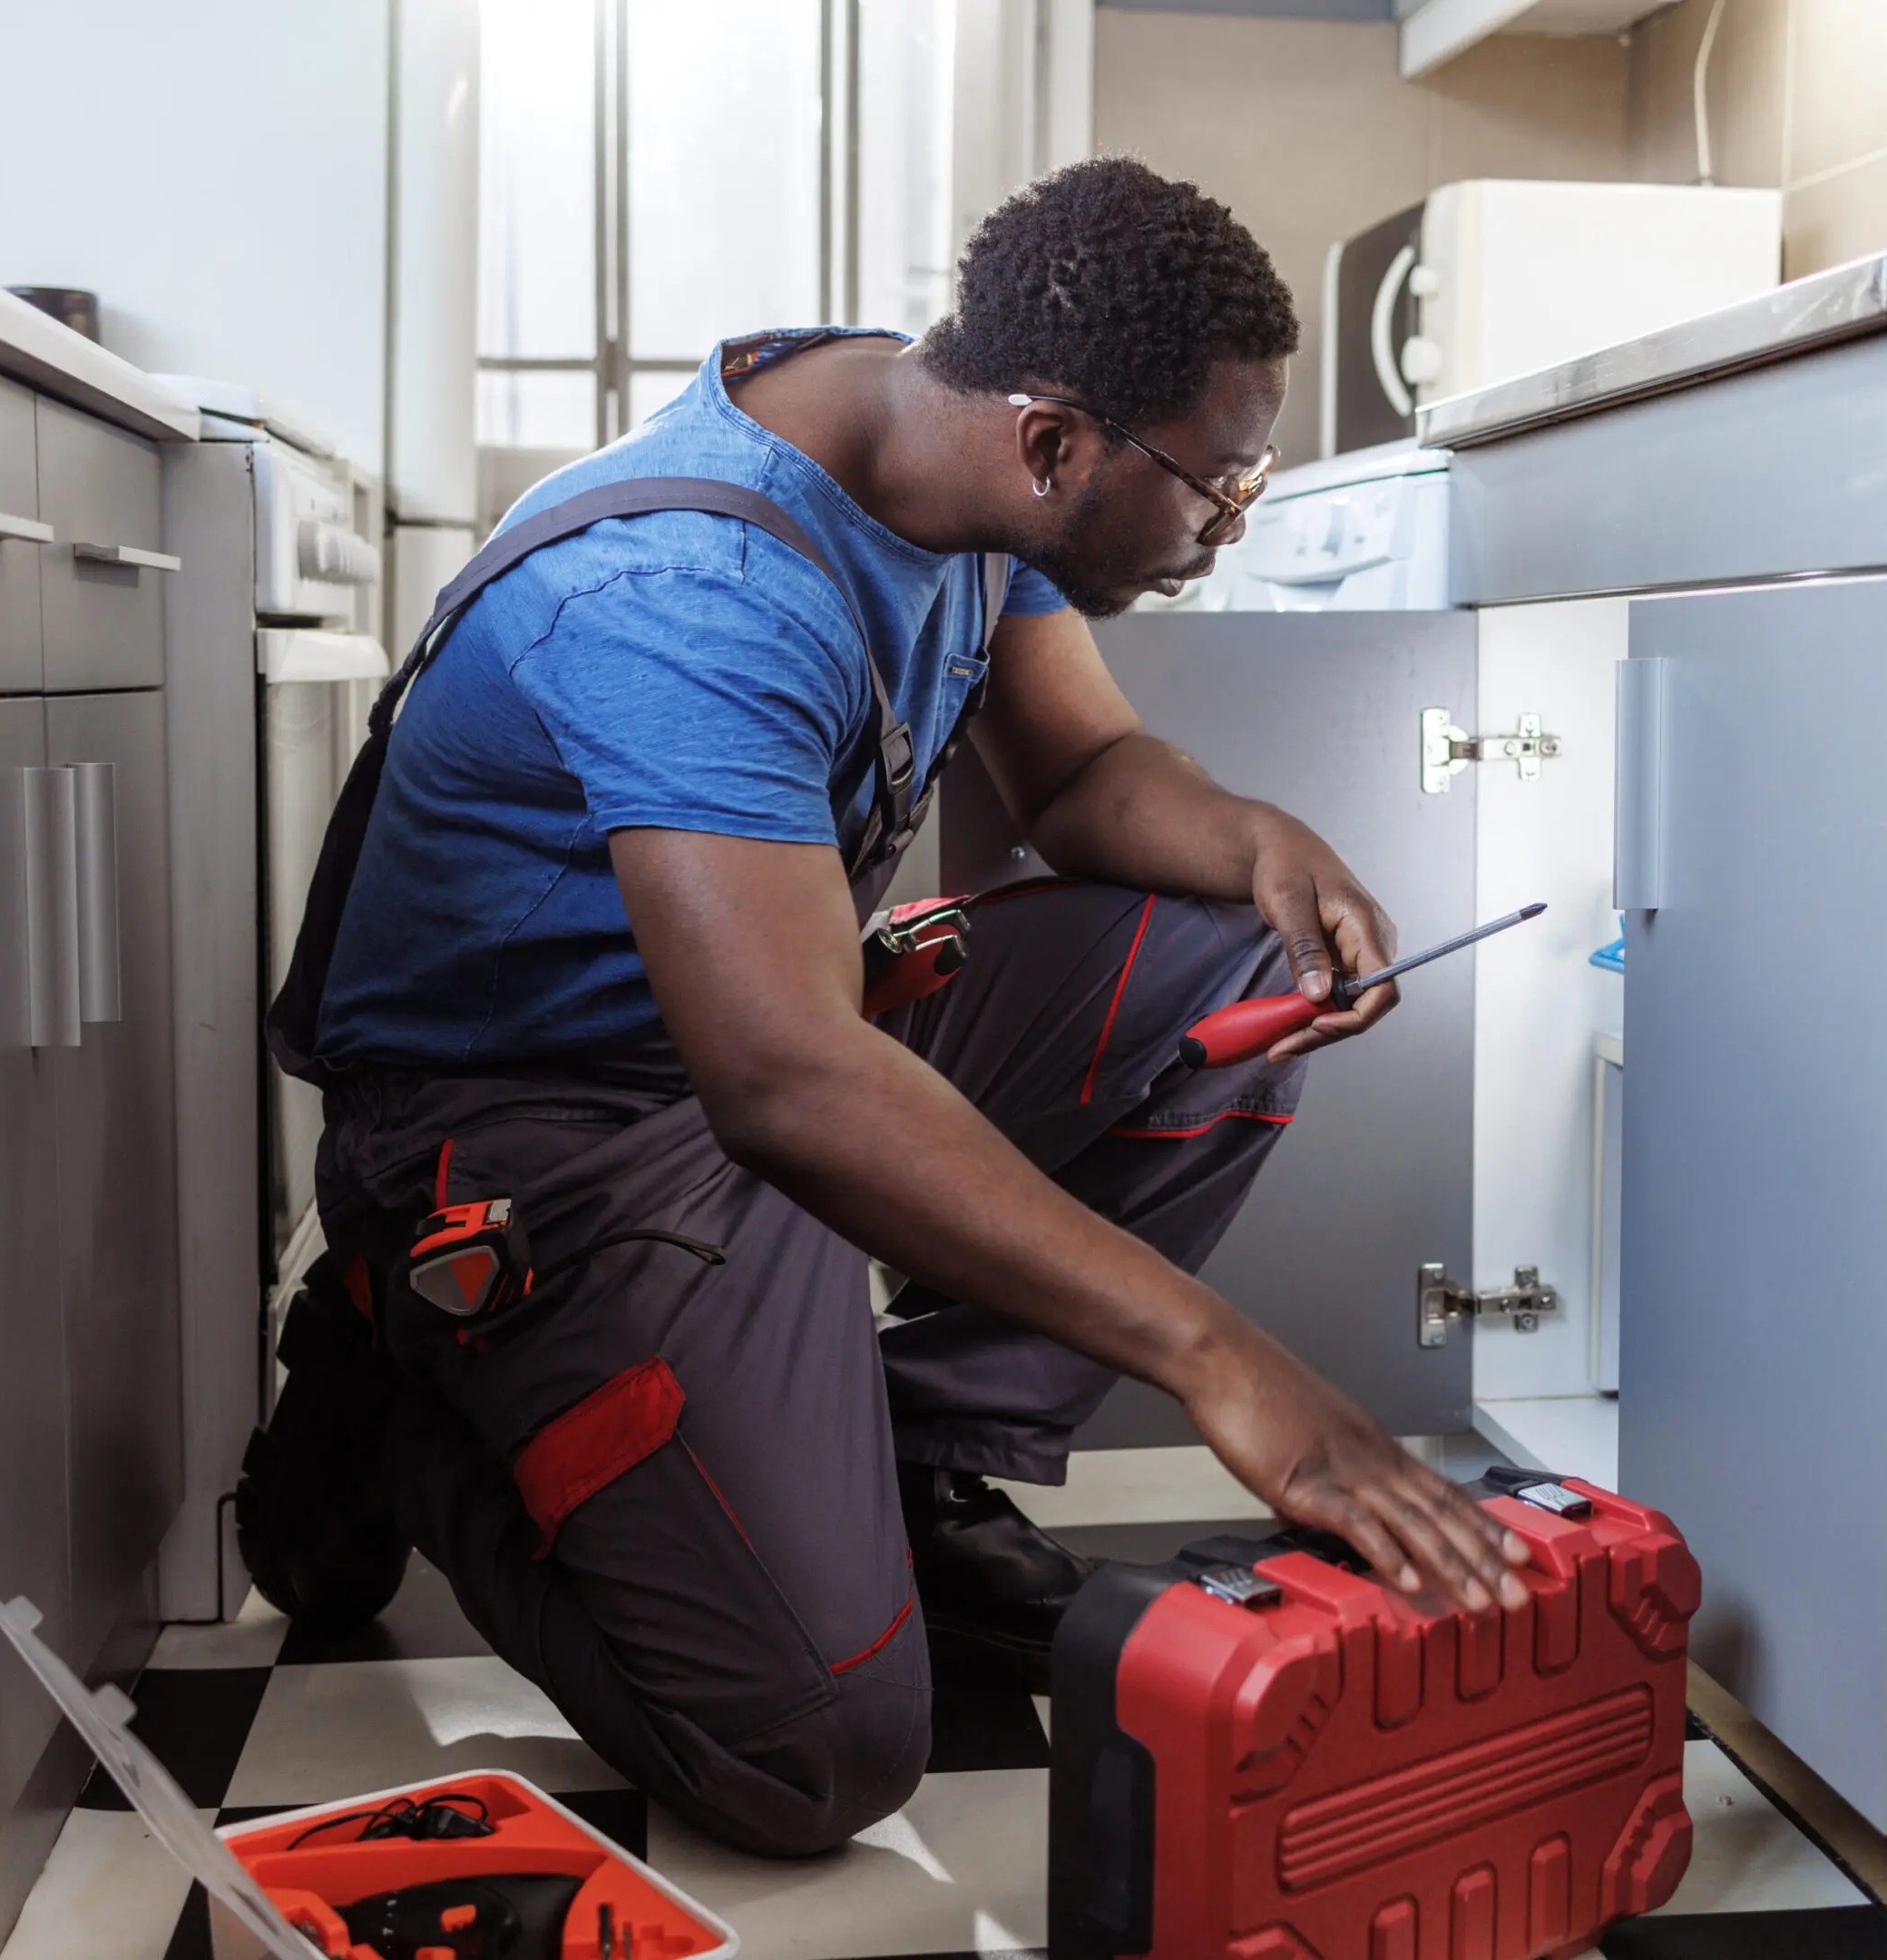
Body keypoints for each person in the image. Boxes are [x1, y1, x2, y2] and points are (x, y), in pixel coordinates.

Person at [242, 157, 1531, 1858]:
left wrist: (1251, 839)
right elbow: (786, 1085)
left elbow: (1079, 774)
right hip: (540, 1122)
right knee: (815, 1757)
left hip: (758, 1027)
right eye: (1215, 490)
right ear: (1057, 441)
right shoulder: (686, 594)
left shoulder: (954, 451)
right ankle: (415, 1399)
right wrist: (1220, 1363)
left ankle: (901, 1475)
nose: (1224, 534)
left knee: (1223, 957)